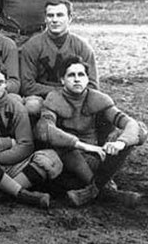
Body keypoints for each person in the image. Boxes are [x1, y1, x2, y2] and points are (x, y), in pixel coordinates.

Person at [34, 56, 146, 207]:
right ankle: (107, 192)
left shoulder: (97, 98)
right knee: (68, 149)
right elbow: (45, 130)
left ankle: (93, 190)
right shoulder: (54, 98)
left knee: (139, 130)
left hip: (97, 157)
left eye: (81, 75)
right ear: (62, 80)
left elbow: (131, 124)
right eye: (71, 75)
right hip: (67, 161)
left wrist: (120, 143)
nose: (77, 79)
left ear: (87, 78)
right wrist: (81, 145)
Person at [0, 61, 62, 208]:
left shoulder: (16, 106)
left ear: (6, 84)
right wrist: (9, 142)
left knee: (51, 157)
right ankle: (24, 195)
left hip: (10, 164)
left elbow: (26, 145)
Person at [20, 0, 98, 116]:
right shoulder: (32, 46)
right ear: (45, 19)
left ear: (70, 18)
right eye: (50, 16)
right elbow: (27, 85)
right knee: (32, 106)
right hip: (43, 98)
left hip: (75, 98)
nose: (55, 20)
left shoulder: (82, 47)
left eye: (60, 15)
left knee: (100, 105)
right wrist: (59, 92)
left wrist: (71, 93)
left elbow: (92, 84)